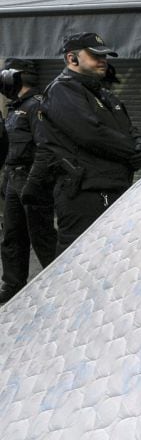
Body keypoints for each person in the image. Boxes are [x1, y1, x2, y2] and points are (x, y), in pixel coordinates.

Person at [33, 32, 141, 255]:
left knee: (112, 260)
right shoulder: (62, 89)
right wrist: (133, 151)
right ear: (72, 59)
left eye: (105, 55)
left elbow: (130, 130)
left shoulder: (104, 94)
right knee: (79, 262)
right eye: (95, 55)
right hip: (84, 196)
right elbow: (90, 133)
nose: (103, 60)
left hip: (114, 191)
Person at [0, 59, 57, 304]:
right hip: (14, 177)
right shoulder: (16, 107)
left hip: (33, 178)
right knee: (12, 235)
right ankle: (13, 286)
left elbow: (46, 148)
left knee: (42, 237)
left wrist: (34, 183)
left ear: (17, 76)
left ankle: (61, 287)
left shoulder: (37, 106)